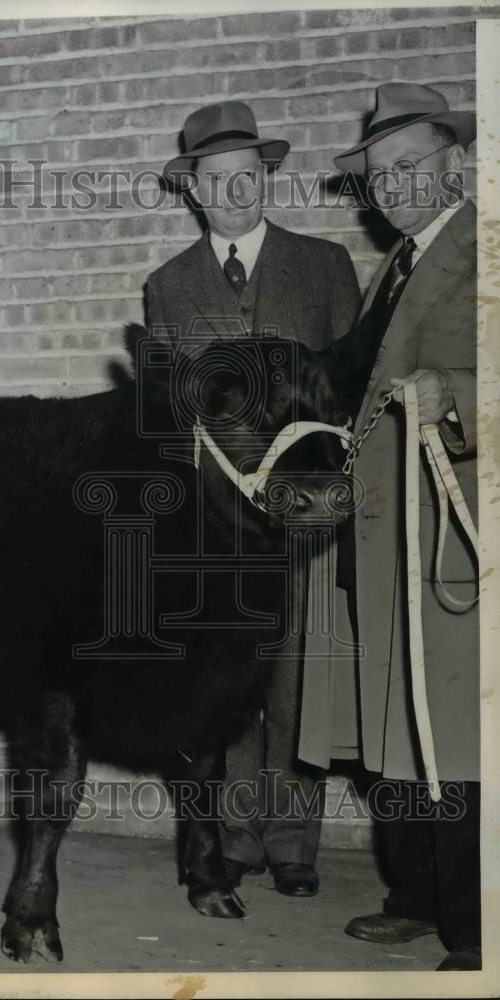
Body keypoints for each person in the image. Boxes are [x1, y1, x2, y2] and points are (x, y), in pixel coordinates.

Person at [146, 100, 361, 897]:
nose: (234, 193)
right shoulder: (167, 287)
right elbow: (172, 416)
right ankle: (234, 839)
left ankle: (293, 841)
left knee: (298, 675)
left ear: (265, 179)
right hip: (222, 525)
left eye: (248, 176)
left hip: (304, 513)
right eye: (217, 181)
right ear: (194, 192)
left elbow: (347, 392)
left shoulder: (323, 266)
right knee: (230, 680)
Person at [299, 82, 480, 970]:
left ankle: (473, 931)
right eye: (378, 176)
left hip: (448, 535)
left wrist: (455, 395)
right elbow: (349, 374)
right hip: (383, 531)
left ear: (456, 166)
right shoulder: (402, 260)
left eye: (410, 167)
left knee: (452, 730)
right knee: (394, 726)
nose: (394, 186)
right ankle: (412, 897)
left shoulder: (481, 250)